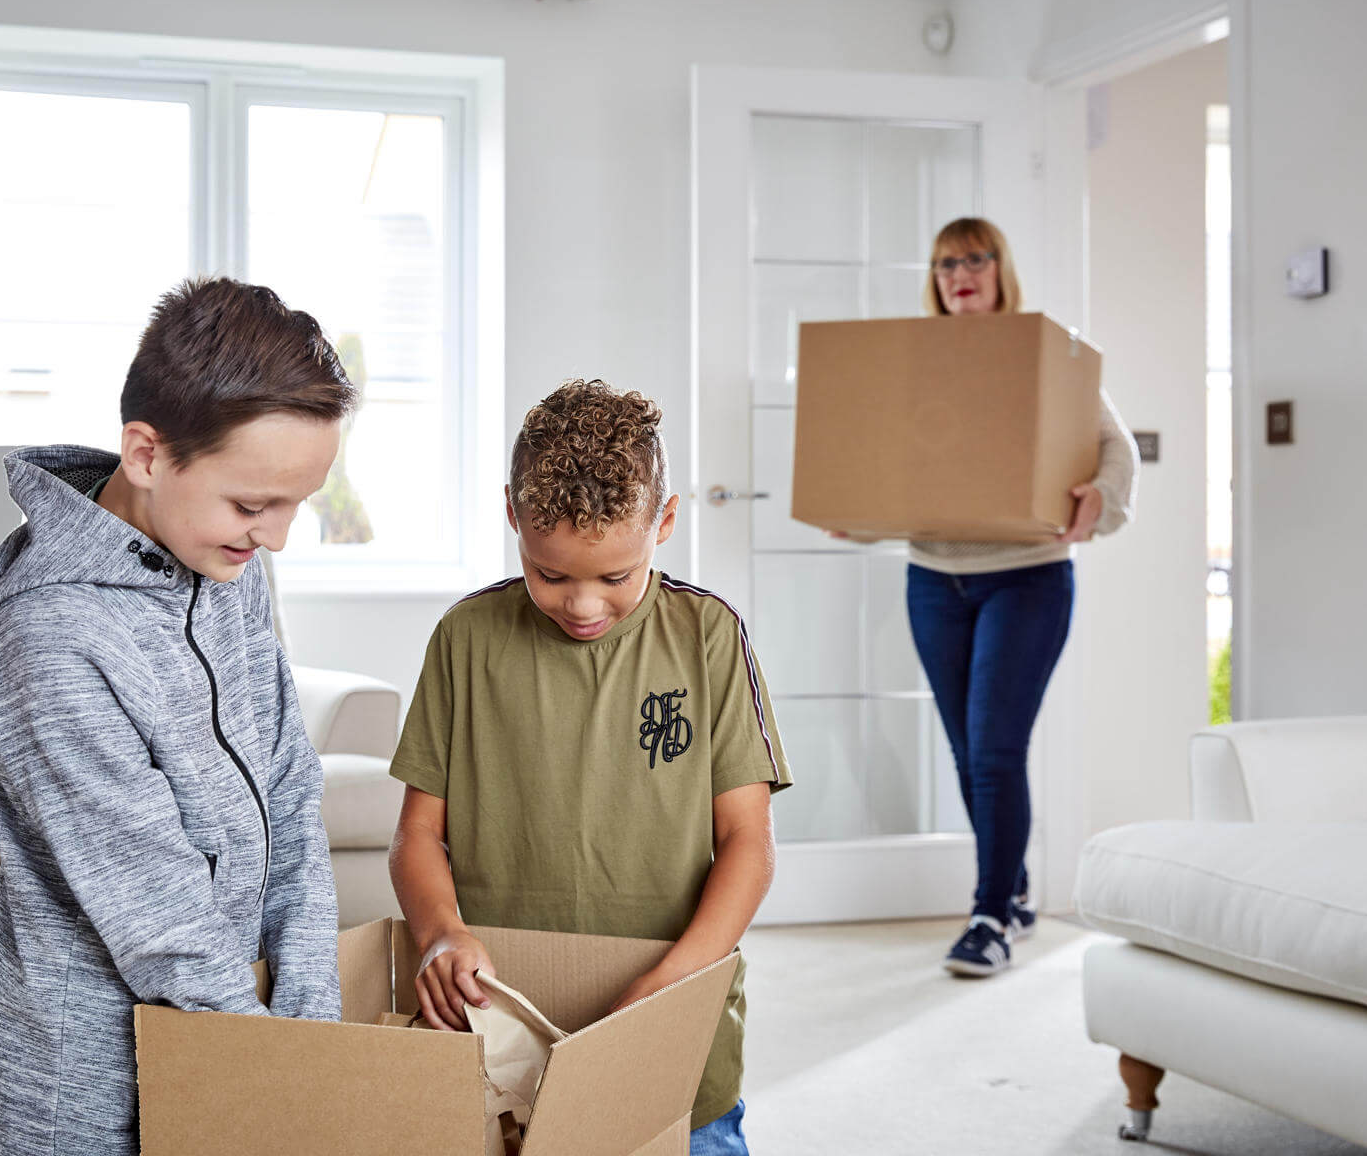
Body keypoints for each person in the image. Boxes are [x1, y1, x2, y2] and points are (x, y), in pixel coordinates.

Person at [0, 278, 353, 1156]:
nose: (277, 538)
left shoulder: (228, 567)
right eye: (254, 505)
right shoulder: (52, 642)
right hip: (88, 1096)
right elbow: (159, 916)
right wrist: (276, 1074)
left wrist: (308, 1018)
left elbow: (289, 785)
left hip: (229, 1041)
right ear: (145, 454)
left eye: (297, 503)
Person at [388, 380, 792, 1156]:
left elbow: (749, 840)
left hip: (676, 1041)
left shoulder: (709, 636)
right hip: (499, 1035)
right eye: (551, 575)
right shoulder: (465, 639)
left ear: (664, 523)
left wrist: (677, 977)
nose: (581, 606)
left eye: (615, 577)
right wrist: (440, 934)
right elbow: (416, 836)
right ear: (512, 514)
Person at [841, 217, 1138, 978]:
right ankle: (1014, 887)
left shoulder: (1040, 351)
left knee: (997, 751)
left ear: (1001, 268)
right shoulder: (916, 361)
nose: (960, 274)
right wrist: (854, 497)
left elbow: (1116, 443)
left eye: (975, 259)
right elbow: (875, 441)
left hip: (1027, 574)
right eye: (946, 263)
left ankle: (990, 915)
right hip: (934, 576)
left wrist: (1100, 496)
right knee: (970, 751)